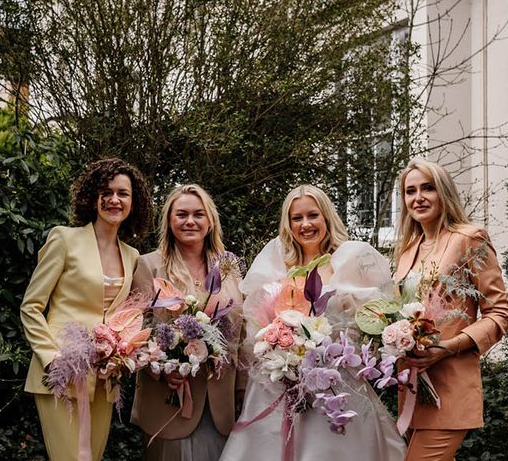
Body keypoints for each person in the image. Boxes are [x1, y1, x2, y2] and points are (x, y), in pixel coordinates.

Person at [220, 184, 406, 461]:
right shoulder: (277, 266)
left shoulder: (347, 261)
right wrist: (280, 353)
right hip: (280, 382)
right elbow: (255, 330)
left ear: (326, 217)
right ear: (289, 223)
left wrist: (326, 350)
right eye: (297, 218)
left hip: (335, 382)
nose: (305, 224)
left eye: (313, 215)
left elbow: (368, 324)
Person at [21, 157, 153, 461]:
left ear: (134, 203)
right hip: (62, 374)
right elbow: (31, 306)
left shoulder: (132, 256)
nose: (114, 200)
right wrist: (51, 358)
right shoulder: (64, 239)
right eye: (106, 192)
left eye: (123, 193)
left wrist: (123, 352)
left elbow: (128, 316)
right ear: (92, 197)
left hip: (105, 378)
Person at [393, 158, 508, 461]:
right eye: (410, 191)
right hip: (412, 388)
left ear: (443, 191)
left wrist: (447, 347)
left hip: (449, 385)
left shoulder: (469, 239)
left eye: (427, 188)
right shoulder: (408, 249)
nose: (418, 197)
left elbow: (499, 312)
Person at [130, 184, 245, 461]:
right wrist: (161, 369)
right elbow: (135, 332)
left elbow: (241, 334)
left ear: (210, 221)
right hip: (170, 401)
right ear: (169, 221)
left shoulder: (228, 269)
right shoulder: (149, 266)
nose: (190, 221)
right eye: (181, 214)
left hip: (221, 404)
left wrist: (242, 392)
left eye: (198, 214)